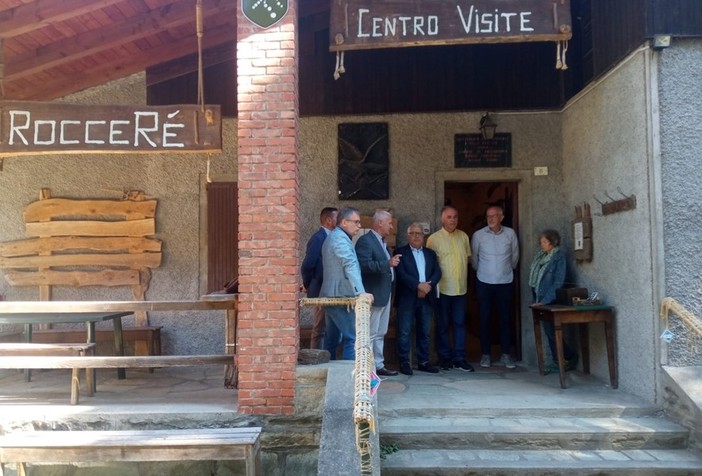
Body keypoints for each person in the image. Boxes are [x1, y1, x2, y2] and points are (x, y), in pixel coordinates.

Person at [320, 207, 374, 360]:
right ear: (344, 222)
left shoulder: (337, 237)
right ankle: (351, 380)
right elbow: (349, 264)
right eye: (356, 222)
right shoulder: (339, 239)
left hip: (334, 296)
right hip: (338, 296)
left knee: (332, 338)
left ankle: (330, 375)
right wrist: (360, 292)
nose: (359, 225)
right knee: (353, 337)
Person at [470, 205, 520, 369]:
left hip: (505, 281)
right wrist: (484, 272)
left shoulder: (510, 234)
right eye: (488, 216)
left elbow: (515, 257)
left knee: (505, 318)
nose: (491, 219)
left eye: (494, 216)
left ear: (502, 217)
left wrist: (504, 271)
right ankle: (486, 355)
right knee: (484, 318)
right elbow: (474, 259)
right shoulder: (478, 235)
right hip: (484, 281)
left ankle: (506, 354)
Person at [426, 206, 474, 372]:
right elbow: (430, 265)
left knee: (460, 324)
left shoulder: (464, 237)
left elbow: (467, 259)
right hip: (442, 289)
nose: (452, 220)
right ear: (442, 219)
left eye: (455, 217)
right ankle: (445, 358)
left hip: (460, 289)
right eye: (449, 217)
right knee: (443, 325)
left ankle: (460, 358)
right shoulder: (433, 239)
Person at [355, 210, 400, 377]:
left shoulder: (383, 242)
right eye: (389, 223)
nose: (391, 226)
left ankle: (379, 365)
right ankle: (368, 366)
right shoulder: (366, 241)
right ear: (380, 223)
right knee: (371, 333)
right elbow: (364, 266)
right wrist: (387, 263)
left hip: (385, 293)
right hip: (373, 294)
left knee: (381, 332)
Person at [394, 223, 442, 375]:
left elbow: (437, 272)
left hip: (426, 298)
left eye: (419, 233)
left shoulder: (430, 253)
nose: (416, 236)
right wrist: (418, 286)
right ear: (408, 236)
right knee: (404, 332)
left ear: (423, 236)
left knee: (425, 332)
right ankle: (404, 363)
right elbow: (401, 275)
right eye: (413, 233)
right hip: (407, 298)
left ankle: (423, 362)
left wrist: (428, 286)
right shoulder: (400, 252)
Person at [528, 229, 578, 373]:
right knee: (549, 332)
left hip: (550, 301)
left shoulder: (558, 258)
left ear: (552, 242)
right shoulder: (541, 257)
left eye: (544, 242)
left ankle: (566, 358)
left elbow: (558, 282)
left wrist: (545, 300)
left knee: (552, 332)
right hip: (540, 300)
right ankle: (561, 359)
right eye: (541, 242)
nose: (541, 244)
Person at [301, 207, 338, 349]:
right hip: (320, 289)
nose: (340, 220)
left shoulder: (334, 237)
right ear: (329, 220)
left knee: (330, 327)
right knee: (319, 327)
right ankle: (315, 357)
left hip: (331, 288)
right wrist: (309, 284)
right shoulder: (318, 238)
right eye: (337, 218)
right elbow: (308, 265)